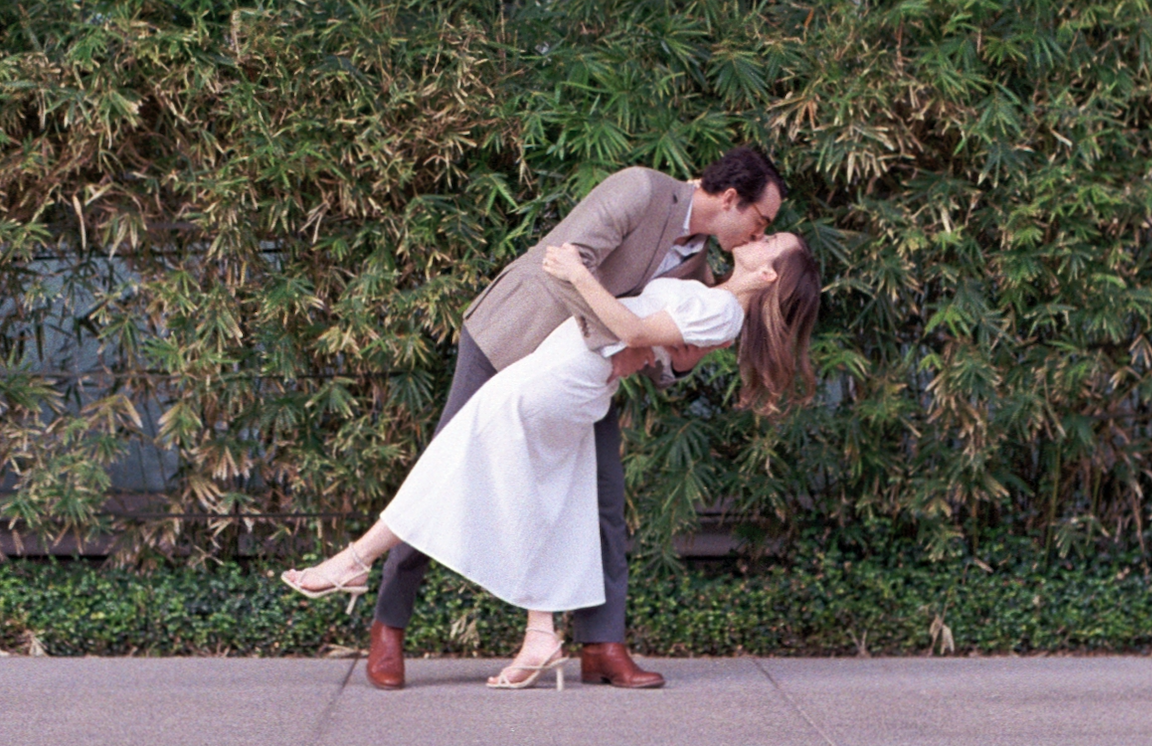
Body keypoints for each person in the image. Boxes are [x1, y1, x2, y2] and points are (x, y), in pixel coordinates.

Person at [282, 229, 821, 688]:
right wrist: (639, 348)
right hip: (575, 372)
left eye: (771, 239)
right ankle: (540, 634)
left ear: (768, 274)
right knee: (546, 500)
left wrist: (577, 274)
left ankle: (356, 559)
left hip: (565, 374)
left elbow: (634, 330)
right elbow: (647, 341)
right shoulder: (714, 297)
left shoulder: (723, 312)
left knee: (453, 463)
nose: (760, 234)